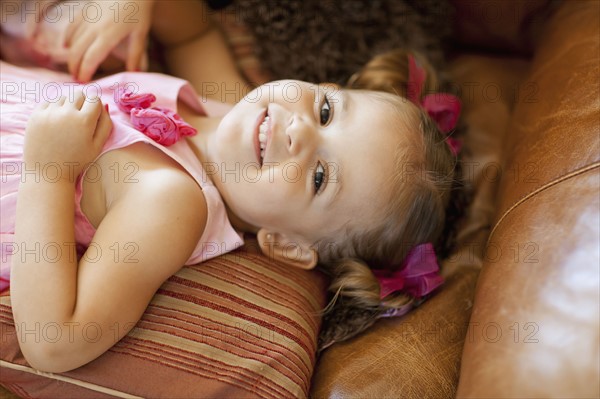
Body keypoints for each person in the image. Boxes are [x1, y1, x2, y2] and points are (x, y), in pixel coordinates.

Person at [0, 1, 464, 371]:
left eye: (321, 177)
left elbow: (54, 344)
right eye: (325, 111)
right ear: (324, 85)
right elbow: (192, 30)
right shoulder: (225, 104)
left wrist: (50, 172)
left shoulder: (172, 203)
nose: (299, 132)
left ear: (284, 244)